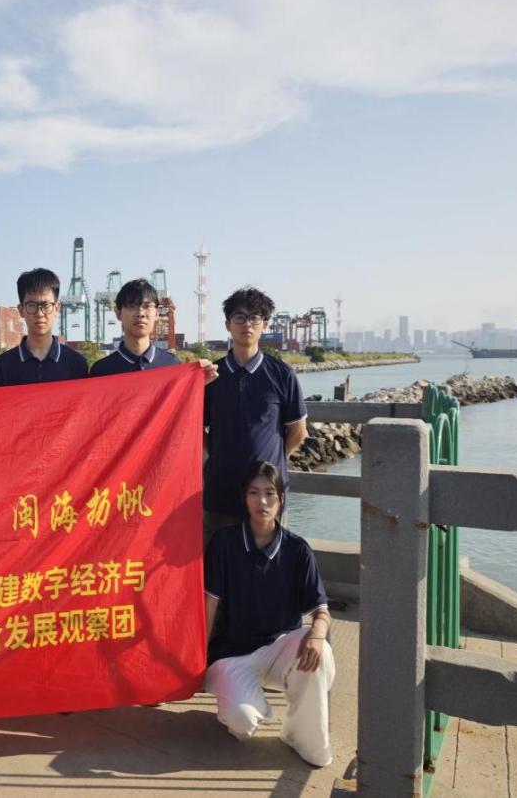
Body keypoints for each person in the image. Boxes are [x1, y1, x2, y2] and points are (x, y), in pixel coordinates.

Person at [203, 461, 334, 767]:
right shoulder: (224, 543)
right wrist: (199, 658)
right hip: (233, 654)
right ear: (244, 498)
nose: (262, 501)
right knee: (241, 723)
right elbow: (210, 604)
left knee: (322, 652)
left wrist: (317, 635)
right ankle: (248, 701)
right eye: (254, 493)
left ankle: (303, 737)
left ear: (281, 499)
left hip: (280, 649)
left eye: (269, 493)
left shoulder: (297, 550)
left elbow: (321, 610)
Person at [203, 286, 307, 546]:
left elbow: (298, 431)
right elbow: (196, 429)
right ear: (228, 324)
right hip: (221, 494)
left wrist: (274, 459)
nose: (247, 324)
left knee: (268, 563)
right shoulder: (212, 377)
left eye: (254, 318)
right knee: (218, 563)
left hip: (267, 497)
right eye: (239, 317)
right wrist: (216, 455)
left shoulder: (282, 375)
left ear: (265, 324)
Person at [90, 278, 217, 383]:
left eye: (147, 306)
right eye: (132, 306)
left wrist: (197, 383)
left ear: (157, 313)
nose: (140, 313)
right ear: (118, 313)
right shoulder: (101, 370)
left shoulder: (171, 365)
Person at [0, 268, 88, 386]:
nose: (40, 313)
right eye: (32, 305)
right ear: (21, 310)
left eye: (46, 305)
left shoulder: (77, 365)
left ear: (57, 308)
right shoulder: (2, 367)